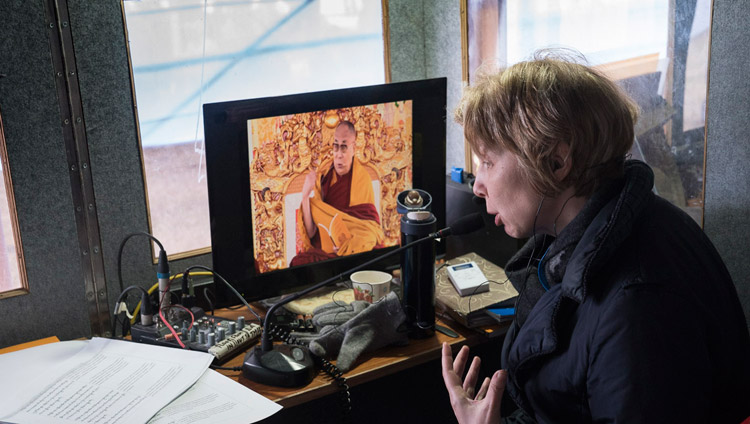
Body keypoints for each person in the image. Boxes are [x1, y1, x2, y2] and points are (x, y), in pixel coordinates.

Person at [441, 50, 750, 423]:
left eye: (488, 162)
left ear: (556, 162)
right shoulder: (588, 237)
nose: (479, 186)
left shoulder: (639, 305)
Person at [291, 121, 385, 265]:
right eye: (336, 146)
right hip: (328, 251)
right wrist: (305, 195)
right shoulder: (324, 178)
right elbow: (312, 233)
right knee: (298, 263)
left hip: (353, 248)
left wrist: (348, 246)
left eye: (344, 147)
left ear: (353, 148)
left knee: (372, 253)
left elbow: (370, 229)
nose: (338, 155)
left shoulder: (362, 178)